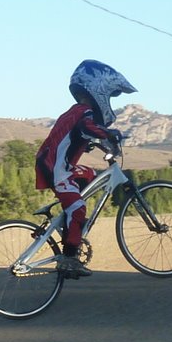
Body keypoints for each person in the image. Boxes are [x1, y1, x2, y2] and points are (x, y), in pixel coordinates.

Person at [35, 60, 136, 278]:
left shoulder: (77, 111)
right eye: (110, 95)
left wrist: (97, 142)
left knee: (89, 175)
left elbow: (77, 134)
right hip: (56, 168)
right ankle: (69, 258)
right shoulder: (85, 112)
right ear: (99, 89)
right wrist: (109, 134)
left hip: (58, 165)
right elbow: (88, 127)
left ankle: (71, 224)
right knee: (78, 208)